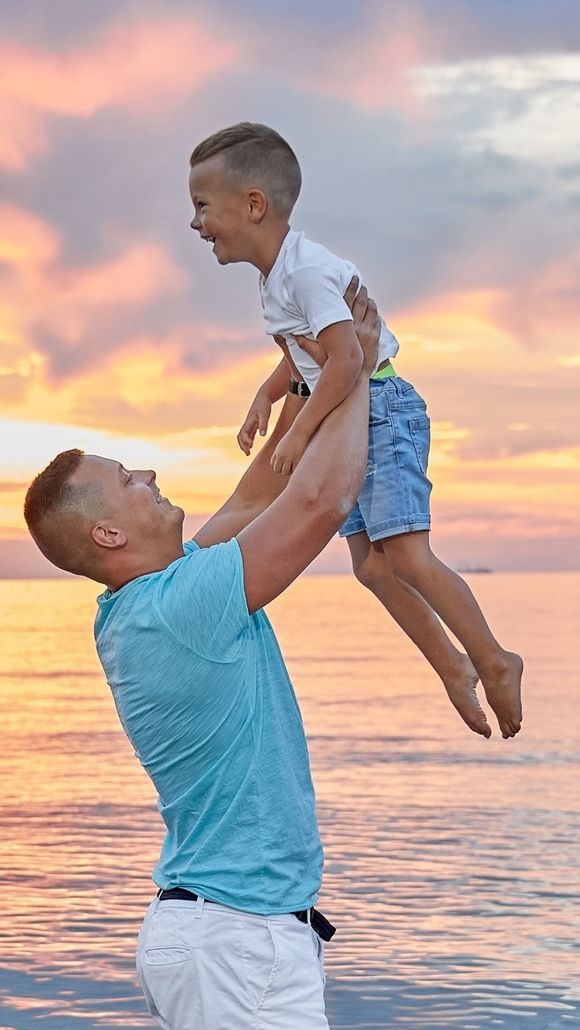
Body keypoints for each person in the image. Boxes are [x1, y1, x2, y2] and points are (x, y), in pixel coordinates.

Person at [19, 287, 390, 1030]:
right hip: (239, 939)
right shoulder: (187, 605)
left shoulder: (143, 602)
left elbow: (263, 486)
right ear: (106, 532)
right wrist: (359, 361)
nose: (152, 475)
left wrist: (305, 386)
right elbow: (322, 500)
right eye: (131, 479)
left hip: (189, 934)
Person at [186, 120, 525, 740]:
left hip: (382, 406)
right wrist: (267, 395)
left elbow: (347, 360)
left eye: (203, 206)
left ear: (253, 204)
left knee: (410, 556)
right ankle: (450, 665)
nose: (195, 222)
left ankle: (496, 658)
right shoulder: (278, 276)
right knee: (371, 567)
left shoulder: (307, 272)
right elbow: (306, 350)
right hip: (348, 409)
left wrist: (298, 432)